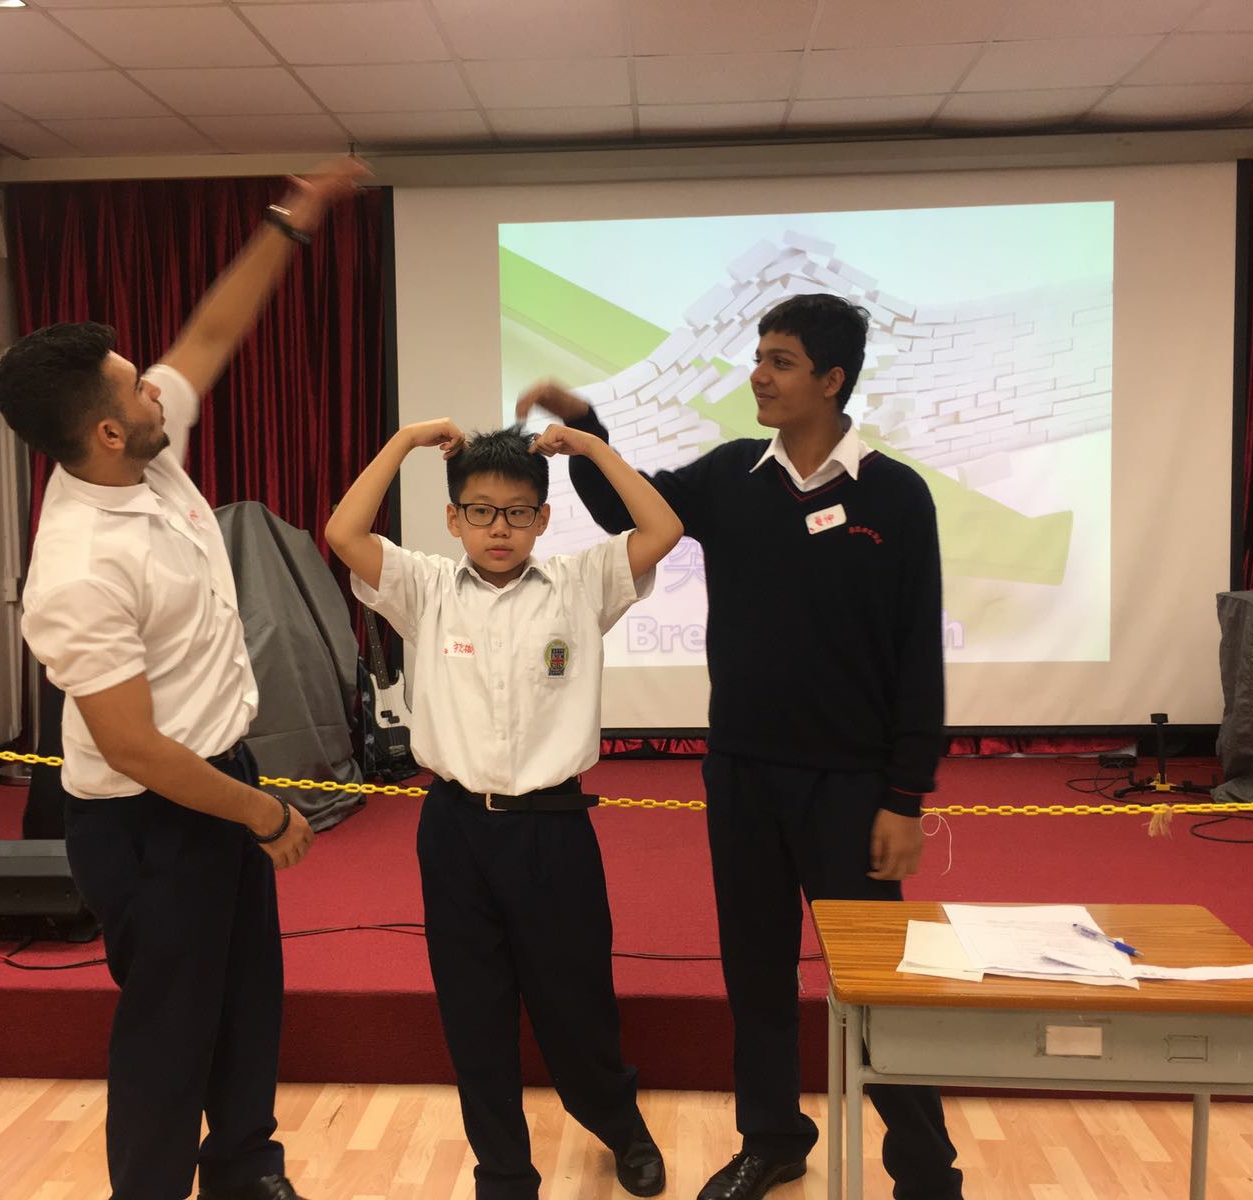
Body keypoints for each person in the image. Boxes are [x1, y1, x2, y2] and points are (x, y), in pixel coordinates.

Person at [517, 293, 965, 1200]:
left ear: (832, 380)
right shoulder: (732, 476)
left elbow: (919, 654)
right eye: (759, 356)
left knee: (878, 984)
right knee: (756, 974)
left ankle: (926, 1170)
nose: (758, 375)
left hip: (852, 787)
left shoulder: (895, 495)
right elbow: (626, 514)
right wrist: (587, 431)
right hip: (743, 775)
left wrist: (904, 797)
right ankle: (772, 1138)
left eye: (781, 361)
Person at [0, 156, 367, 1200]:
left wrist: (291, 221)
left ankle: (245, 1168)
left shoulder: (142, 452)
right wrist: (262, 813)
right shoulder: (78, 569)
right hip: (148, 820)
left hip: (215, 777)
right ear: (107, 432)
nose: (155, 383)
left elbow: (209, 333)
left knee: (248, 1000)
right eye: (133, 386)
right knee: (169, 1035)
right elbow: (133, 748)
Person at [324, 419, 683, 1200]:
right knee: (473, 1012)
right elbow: (343, 532)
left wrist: (592, 450)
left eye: (518, 512)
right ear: (453, 519)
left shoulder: (581, 584)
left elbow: (663, 529)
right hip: (455, 830)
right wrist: (404, 441)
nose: (499, 529)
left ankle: (619, 1125)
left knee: (576, 1003)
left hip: (553, 829)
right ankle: (504, 1173)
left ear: (543, 519)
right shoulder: (423, 588)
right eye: (481, 511)